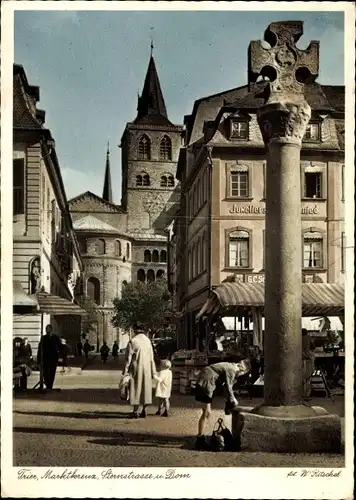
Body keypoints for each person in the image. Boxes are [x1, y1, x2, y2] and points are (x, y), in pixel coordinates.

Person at [194, 359, 251, 450]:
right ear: (242, 369)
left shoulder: (230, 366)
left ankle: (200, 438)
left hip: (206, 380)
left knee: (206, 412)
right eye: (242, 374)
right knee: (206, 413)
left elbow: (227, 386)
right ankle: (200, 439)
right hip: (207, 382)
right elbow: (228, 387)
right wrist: (233, 399)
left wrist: (229, 398)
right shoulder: (232, 369)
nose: (240, 376)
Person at [122, 324, 156, 419]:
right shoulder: (148, 341)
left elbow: (128, 359)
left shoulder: (133, 341)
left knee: (135, 389)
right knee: (146, 389)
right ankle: (144, 410)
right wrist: (153, 371)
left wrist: (125, 371)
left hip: (136, 367)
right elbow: (151, 357)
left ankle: (135, 411)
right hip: (147, 369)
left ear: (135, 330)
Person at [37, 324, 62, 390]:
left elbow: (60, 347)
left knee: (52, 373)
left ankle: (50, 386)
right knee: (46, 373)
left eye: (48, 328)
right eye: (46, 329)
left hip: (53, 358)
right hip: (45, 358)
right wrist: (38, 359)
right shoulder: (43, 338)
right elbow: (40, 349)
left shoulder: (55, 337)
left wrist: (60, 357)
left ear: (51, 329)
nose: (47, 330)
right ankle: (48, 385)